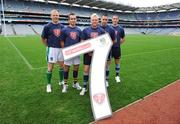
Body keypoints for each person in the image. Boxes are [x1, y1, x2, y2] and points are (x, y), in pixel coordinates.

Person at [80, 13, 105, 96]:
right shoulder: (85, 30)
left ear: (98, 21)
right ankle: (84, 87)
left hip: (97, 55)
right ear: (91, 21)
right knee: (86, 70)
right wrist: (88, 51)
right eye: (93, 20)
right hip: (87, 54)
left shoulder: (101, 31)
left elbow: (103, 43)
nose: (94, 21)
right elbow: (82, 43)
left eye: (96, 20)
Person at [41, 9, 64, 93]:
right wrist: (48, 46)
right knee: (50, 67)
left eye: (57, 15)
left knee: (62, 66)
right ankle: (48, 84)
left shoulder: (62, 27)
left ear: (59, 16)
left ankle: (61, 81)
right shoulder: (47, 26)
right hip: (52, 49)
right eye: (54, 15)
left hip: (61, 49)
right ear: (51, 16)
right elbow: (43, 38)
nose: (55, 16)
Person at [60, 13, 82, 93]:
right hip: (68, 53)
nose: (73, 20)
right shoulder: (64, 30)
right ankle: (65, 85)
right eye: (71, 19)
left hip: (76, 53)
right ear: (69, 20)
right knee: (66, 68)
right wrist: (64, 51)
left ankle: (75, 83)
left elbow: (80, 42)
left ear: (76, 20)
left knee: (76, 68)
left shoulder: (79, 30)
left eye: (74, 18)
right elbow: (62, 42)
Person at [100, 14, 115, 87]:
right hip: (98, 50)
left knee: (107, 66)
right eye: (103, 19)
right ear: (101, 19)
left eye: (106, 19)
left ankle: (106, 80)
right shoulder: (97, 28)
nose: (104, 21)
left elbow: (113, 40)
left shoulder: (111, 29)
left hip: (107, 50)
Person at [111, 15, 125, 83]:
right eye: (114, 19)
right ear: (112, 20)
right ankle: (106, 78)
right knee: (107, 63)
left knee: (117, 62)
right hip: (109, 49)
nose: (115, 20)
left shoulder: (121, 29)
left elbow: (123, 39)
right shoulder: (109, 28)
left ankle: (117, 76)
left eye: (116, 19)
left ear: (118, 20)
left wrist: (118, 44)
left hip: (117, 48)